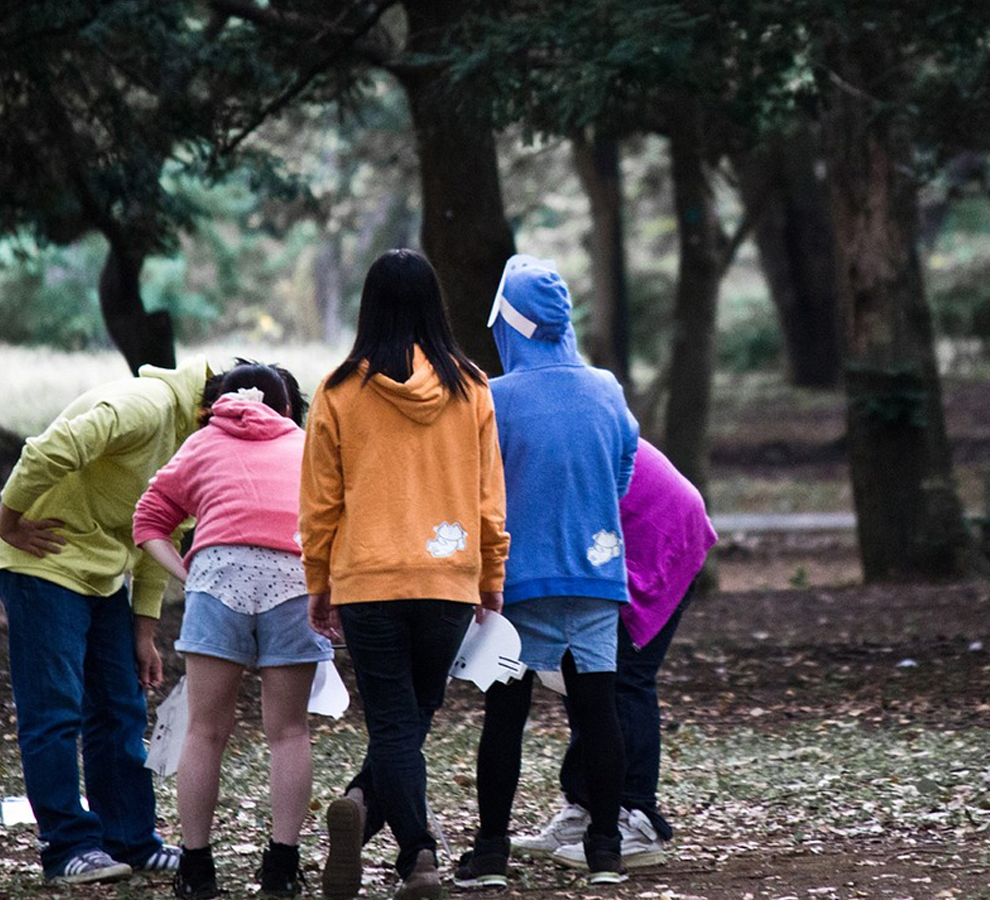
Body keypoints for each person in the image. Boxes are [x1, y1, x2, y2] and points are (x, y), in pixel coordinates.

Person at [302, 249, 508, 900]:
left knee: (396, 722)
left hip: (368, 580)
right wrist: (491, 575)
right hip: (446, 579)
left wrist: (318, 580)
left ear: (368, 307)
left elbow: (321, 501)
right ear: (435, 304)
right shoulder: (471, 386)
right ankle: (408, 847)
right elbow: (487, 495)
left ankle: (385, 825)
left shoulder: (337, 389)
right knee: (411, 719)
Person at [454, 255, 639, 890]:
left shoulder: (493, 397)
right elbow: (624, 469)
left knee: (505, 717)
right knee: (598, 713)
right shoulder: (607, 387)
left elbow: (478, 487)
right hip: (595, 574)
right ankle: (606, 850)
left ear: (506, 321)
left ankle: (491, 853)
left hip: (518, 579)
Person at [0, 360, 211, 884]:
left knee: (120, 706)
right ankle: (67, 848)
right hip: (42, 562)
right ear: (213, 410)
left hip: (102, 573)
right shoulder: (146, 407)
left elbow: (164, 529)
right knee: (55, 710)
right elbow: (48, 448)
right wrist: (8, 521)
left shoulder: (197, 447)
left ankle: (130, 840)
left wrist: (143, 632)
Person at [132, 361, 330, 898]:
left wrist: (187, 571)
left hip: (218, 578)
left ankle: (196, 868)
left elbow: (147, 519)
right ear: (287, 407)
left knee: (205, 731)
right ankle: (282, 867)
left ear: (217, 402)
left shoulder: (200, 444)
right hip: (294, 578)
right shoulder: (307, 446)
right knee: (288, 732)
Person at [513, 438, 717, 870]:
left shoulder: (506, 422)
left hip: (659, 532)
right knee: (583, 670)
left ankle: (639, 819)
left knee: (623, 676)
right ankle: (589, 805)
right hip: (614, 538)